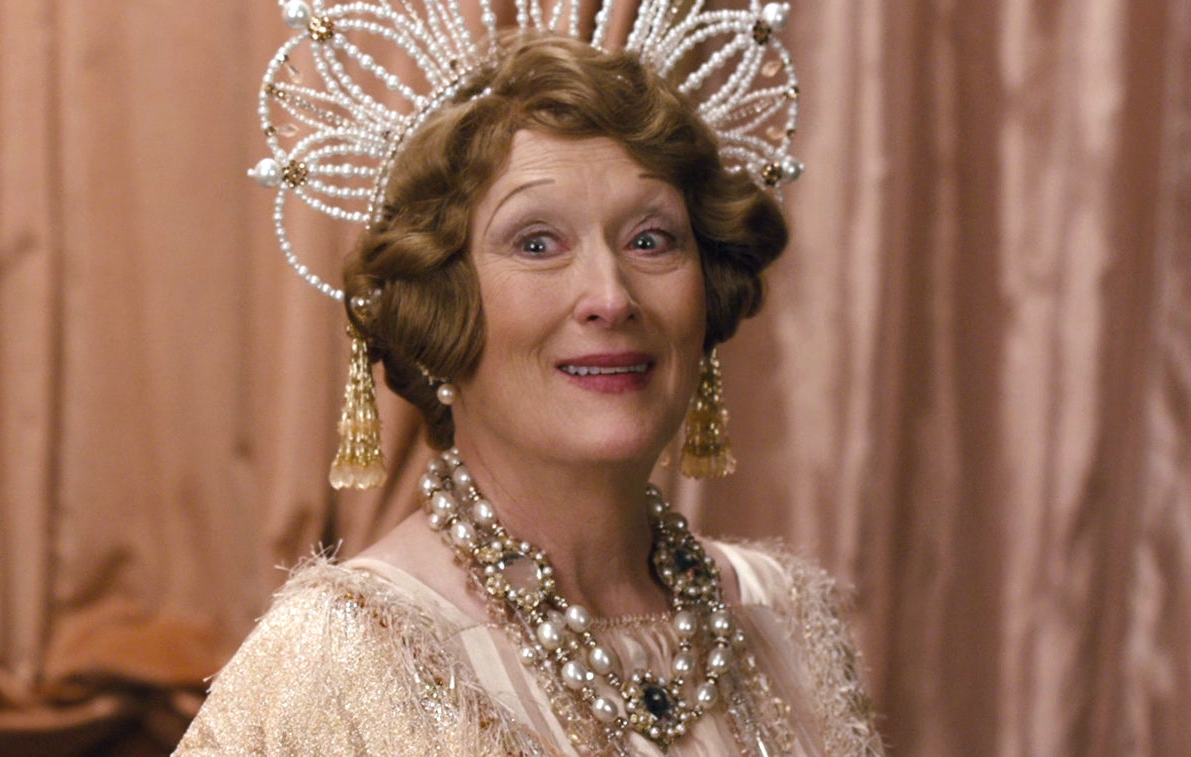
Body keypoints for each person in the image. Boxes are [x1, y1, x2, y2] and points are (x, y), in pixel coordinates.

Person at [176, 6, 884, 756]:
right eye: (537, 243)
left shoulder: (786, 612)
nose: (611, 297)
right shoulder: (337, 659)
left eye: (651, 240)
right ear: (441, 309)